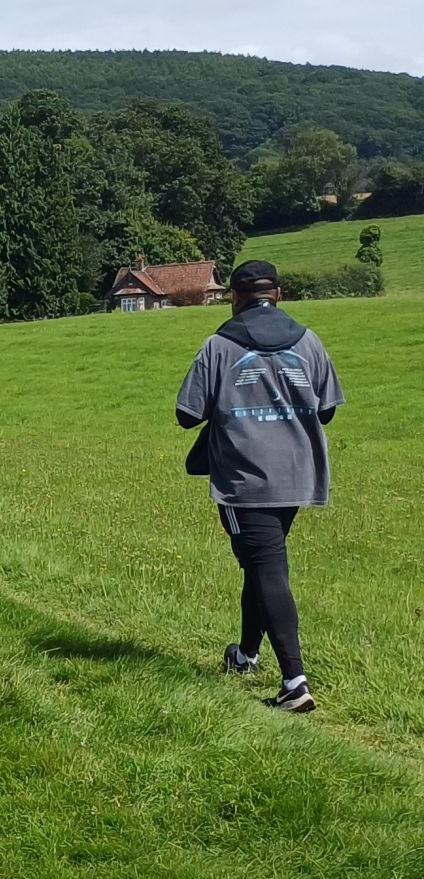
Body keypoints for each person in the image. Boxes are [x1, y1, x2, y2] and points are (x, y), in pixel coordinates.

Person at [176, 260, 344, 713]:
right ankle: (246, 655)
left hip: (244, 479)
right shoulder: (309, 340)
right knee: (261, 563)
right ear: (279, 294)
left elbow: (187, 415)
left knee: (267, 568)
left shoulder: (219, 345)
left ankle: (294, 682)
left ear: (234, 297)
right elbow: (326, 410)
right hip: (299, 475)